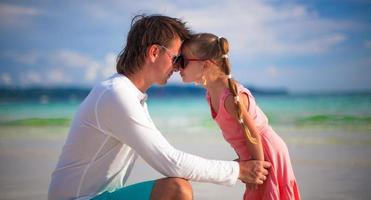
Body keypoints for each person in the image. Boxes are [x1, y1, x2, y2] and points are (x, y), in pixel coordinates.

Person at [48, 15, 271, 200]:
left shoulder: (131, 95)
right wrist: (238, 171)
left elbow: (167, 157)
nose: (177, 67)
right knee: (176, 189)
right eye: (176, 58)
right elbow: (170, 162)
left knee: (175, 186)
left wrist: (237, 169)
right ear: (154, 52)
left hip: (99, 197)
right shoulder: (116, 94)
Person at [178, 33, 301, 199]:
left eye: (183, 61)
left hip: (266, 153)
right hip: (254, 153)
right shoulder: (211, 94)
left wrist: (256, 166)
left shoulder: (230, 97)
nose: (178, 67)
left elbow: (253, 135)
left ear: (205, 65)